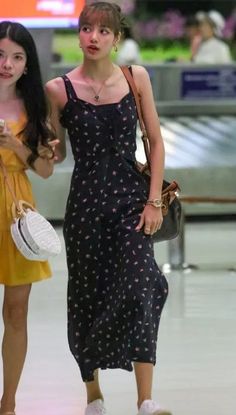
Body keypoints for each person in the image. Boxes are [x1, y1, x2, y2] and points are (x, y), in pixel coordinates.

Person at [46, 2, 170, 415]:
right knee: (85, 296)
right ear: (79, 35)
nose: (93, 38)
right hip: (84, 209)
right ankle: (93, 395)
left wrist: (154, 201)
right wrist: (39, 148)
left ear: (118, 39)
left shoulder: (136, 78)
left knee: (141, 285)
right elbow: (55, 155)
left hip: (131, 203)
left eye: (103, 31)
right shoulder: (57, 90)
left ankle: (145, 399)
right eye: (86, 29)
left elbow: (154, 140)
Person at [0, 21, 57, 415]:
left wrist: (14, 147)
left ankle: (8, 403)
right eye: (1, 55)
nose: (7, 64)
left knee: (16, 311)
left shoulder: (35, 106)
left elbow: (46, 170)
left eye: (17, 57)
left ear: (27, 65)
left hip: (16, 208)